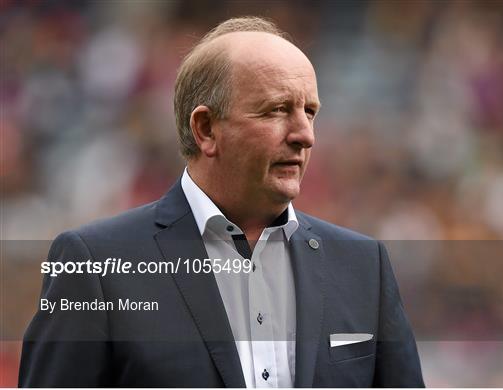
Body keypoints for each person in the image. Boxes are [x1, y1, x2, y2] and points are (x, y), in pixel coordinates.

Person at [19, 16, 424, 387]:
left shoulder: (364, 267)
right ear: (206, 128)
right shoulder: (96, 263)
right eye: (278, 110)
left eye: (310, 111)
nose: (305, 134)